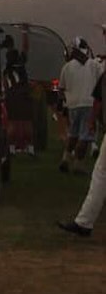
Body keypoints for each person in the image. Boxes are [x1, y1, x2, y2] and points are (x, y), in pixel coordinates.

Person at [58, 30, 106, 236]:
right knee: (98, 170)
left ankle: (84, 222)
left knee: (76, 136)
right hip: (86, 105)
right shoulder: (96, 66)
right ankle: (84, 222)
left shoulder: (68, 67)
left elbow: (98, 98)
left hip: (75, 105)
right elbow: (97, 97)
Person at [58, 37, 103, 174]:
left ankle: (66, 158)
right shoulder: (94, 65)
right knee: (85, 136)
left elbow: (61, 89)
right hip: (89, 104)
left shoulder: (66, 67)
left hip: (72, 105)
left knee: (73, 133)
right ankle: (78, 164)